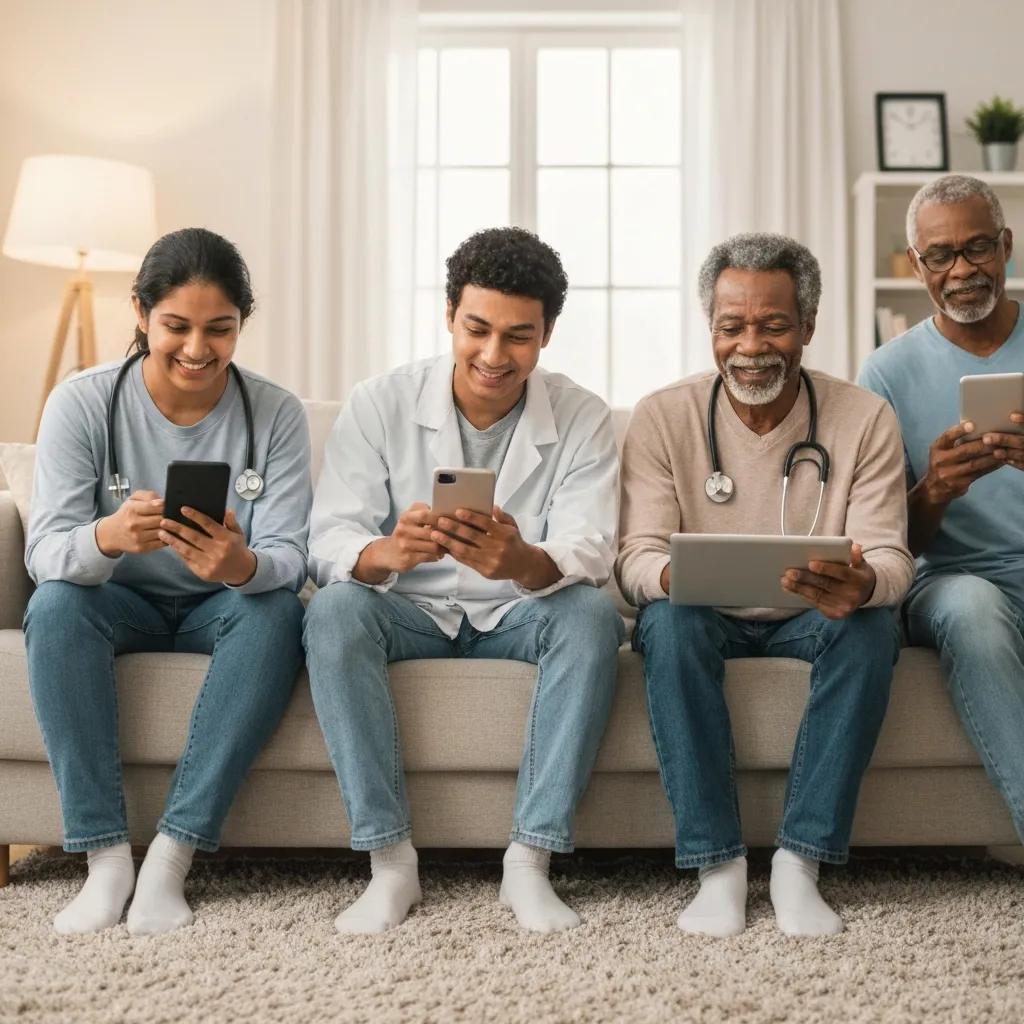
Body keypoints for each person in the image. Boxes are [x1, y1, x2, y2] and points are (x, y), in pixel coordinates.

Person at [303, 226, 622, 935]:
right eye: (476, 329)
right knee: (332, 614)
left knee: (592, 618)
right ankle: (390, 865)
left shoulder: (582, 416)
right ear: (449, 314)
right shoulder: (380, 403)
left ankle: (529, 863)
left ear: (546, 336)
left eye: (518, 337)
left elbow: (591, 551)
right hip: (408, 608)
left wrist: (522, 562)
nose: (493, 355)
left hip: (517, 611)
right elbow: (328, 540)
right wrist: (389, 552)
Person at [617, 233, 913, 938]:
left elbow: (895, 561)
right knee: (665, 621)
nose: (751, 345)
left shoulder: (864, 418)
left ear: (807, 327)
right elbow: (633, 559)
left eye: (774, 324)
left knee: (874, 626)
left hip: (812, 616)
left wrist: (863, 582)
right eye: (731, 326)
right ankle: (717, 867)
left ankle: (799, 864)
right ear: (710, 329)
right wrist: (671, 575)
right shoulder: (664, 416)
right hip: (705, 615)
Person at [24, 228, 311, 935]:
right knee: (55, 607)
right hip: (117, 601)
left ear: (243, 324)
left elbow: (289, 557)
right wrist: (106, 538)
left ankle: (172, 857)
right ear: (140, 314)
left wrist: (240, 566)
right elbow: (45, 552)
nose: (196, 349)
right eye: (175, 326)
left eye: (220, 329)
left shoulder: (275, 413)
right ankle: (104, 857)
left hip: (222, 606)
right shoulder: (83, 403)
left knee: (276, 613)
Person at [859, 174, 1024, 847]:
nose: (960, 271)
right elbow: (884, 537)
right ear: (917, 263)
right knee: (975, 613)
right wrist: (933, 490)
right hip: (952, 578)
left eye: (977, 248)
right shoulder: (886, 371)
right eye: (939, 256)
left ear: (1007, 246)